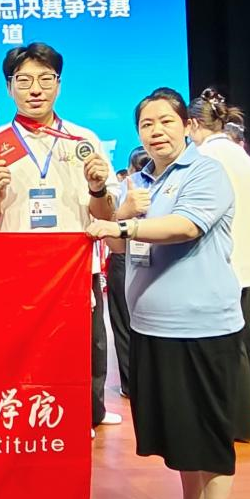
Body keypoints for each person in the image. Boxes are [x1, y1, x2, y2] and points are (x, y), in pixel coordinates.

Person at [87, 87, 244, 499]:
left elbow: (186, 227)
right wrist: (117, 210)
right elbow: (117, 245)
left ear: (187, 126)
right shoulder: (140, 183)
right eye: (146, 124)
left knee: (209, 427)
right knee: (179, 427)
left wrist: (125, 227)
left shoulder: (205, 172)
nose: (156, 132)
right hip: (151, 325)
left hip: (201, 323)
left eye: (166, 121)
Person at [0, 42, 111, 499]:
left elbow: (104, 212)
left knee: (74, 408)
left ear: (59, 84)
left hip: (74, 284)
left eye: (45, 79)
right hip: (17, 291)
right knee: (19, 405)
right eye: (24, 80)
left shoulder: (84, 142)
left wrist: (99, 186)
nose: (35, 89)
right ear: (8, 87)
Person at [187, 90, 250, 427]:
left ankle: (232, 407)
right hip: (247, 260)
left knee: (221, 339)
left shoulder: (202, 156)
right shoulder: (243, 157)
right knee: (248, 333)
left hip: (218, 261)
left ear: (192, 124)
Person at [107, 147, 150, 398]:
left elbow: (113, 233)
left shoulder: (127, 185)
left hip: (124, 258)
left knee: (124, 326)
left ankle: (130, 383)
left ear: (131, 168)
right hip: (154, 258)